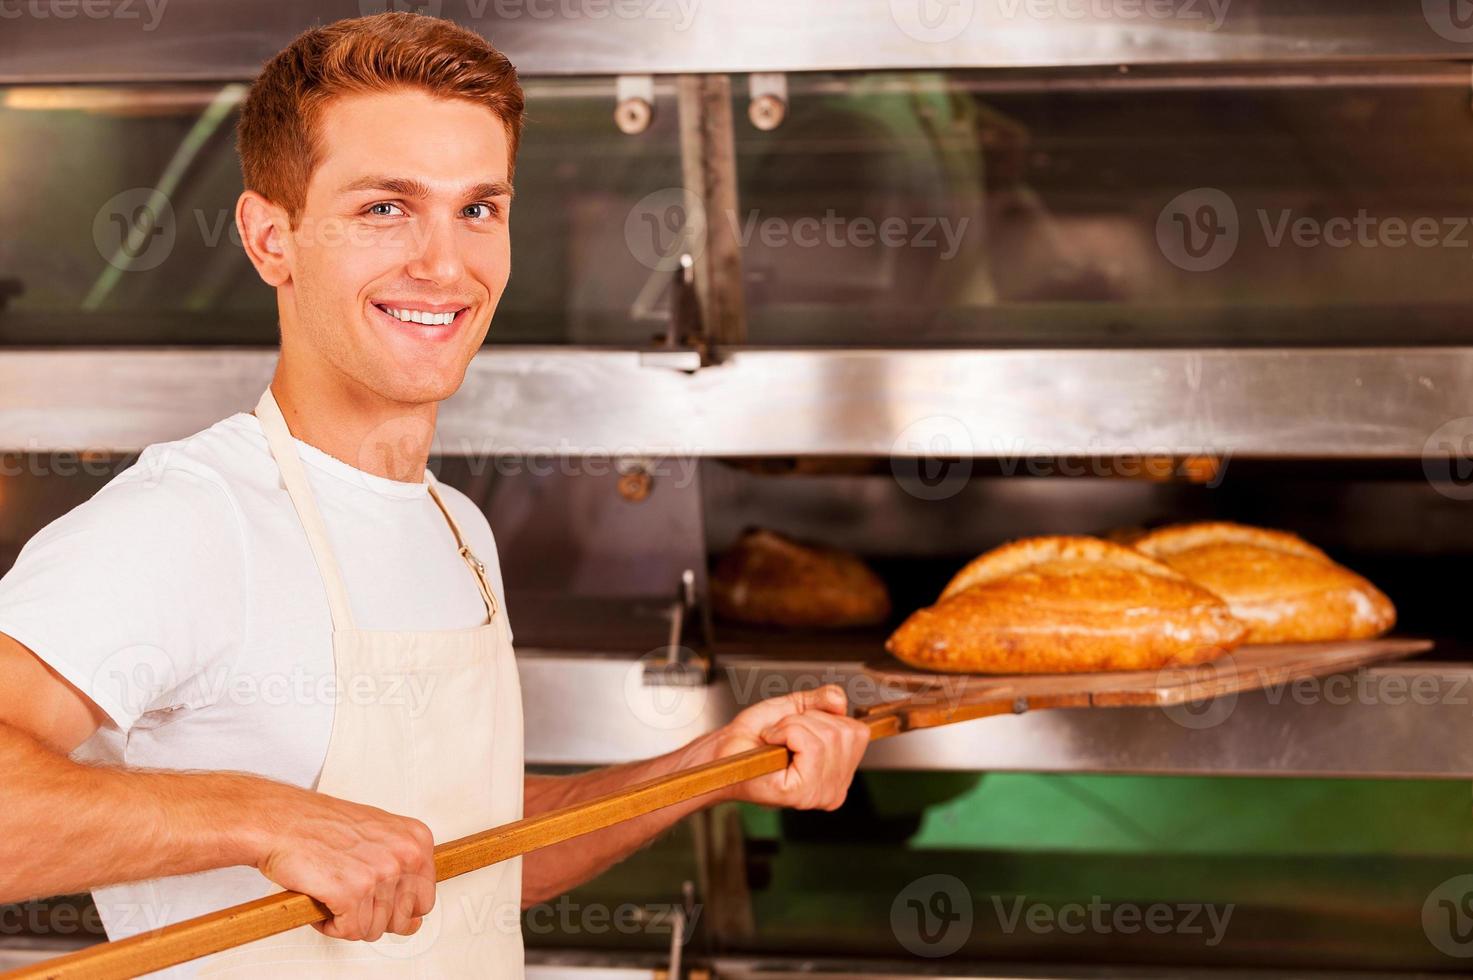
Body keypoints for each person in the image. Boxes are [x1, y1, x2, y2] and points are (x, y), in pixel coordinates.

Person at [0, 12, 869, 976]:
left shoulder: (457, 529)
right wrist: (263, 818)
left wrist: (699, 772)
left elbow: (465, 862)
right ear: (269, 238)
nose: (444, 265)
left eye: (477, 209)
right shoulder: (187, 522)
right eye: (385, 208)